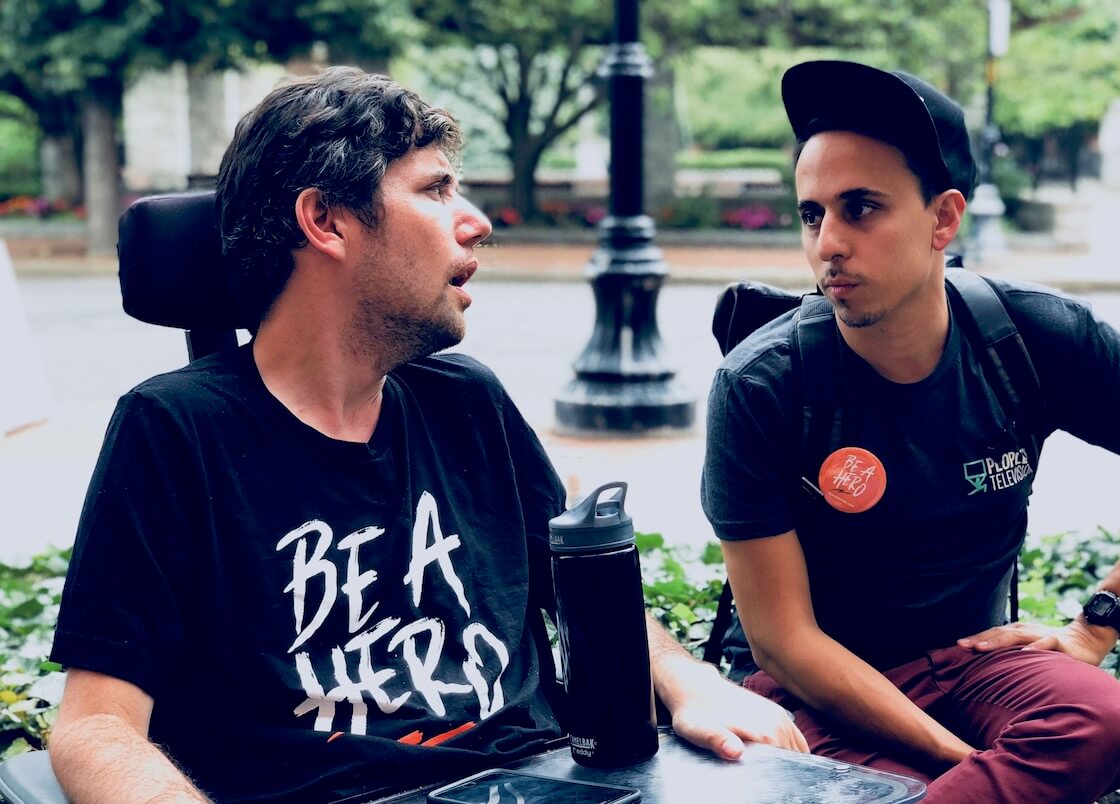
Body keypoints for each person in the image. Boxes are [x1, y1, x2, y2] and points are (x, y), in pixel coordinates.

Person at [47, 67, 806, 803]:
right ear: (326, 221)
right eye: (436, 190)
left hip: (545, 783)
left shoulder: (466, 401)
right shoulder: (177, 431)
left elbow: (585, 600)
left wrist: (689, 681)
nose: (474, 220)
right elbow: (95, 726)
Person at [701, 59, 1120, 803]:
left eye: (861, 208)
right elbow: (784, 640)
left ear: (943, 219)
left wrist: (1097, 627)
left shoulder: (1031, 337)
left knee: (1103, 721)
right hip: (814, 689)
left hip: (973, 663)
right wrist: (956, 758)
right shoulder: (763, 384)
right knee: (851, 781)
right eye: (813, 213)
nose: (827, 243)